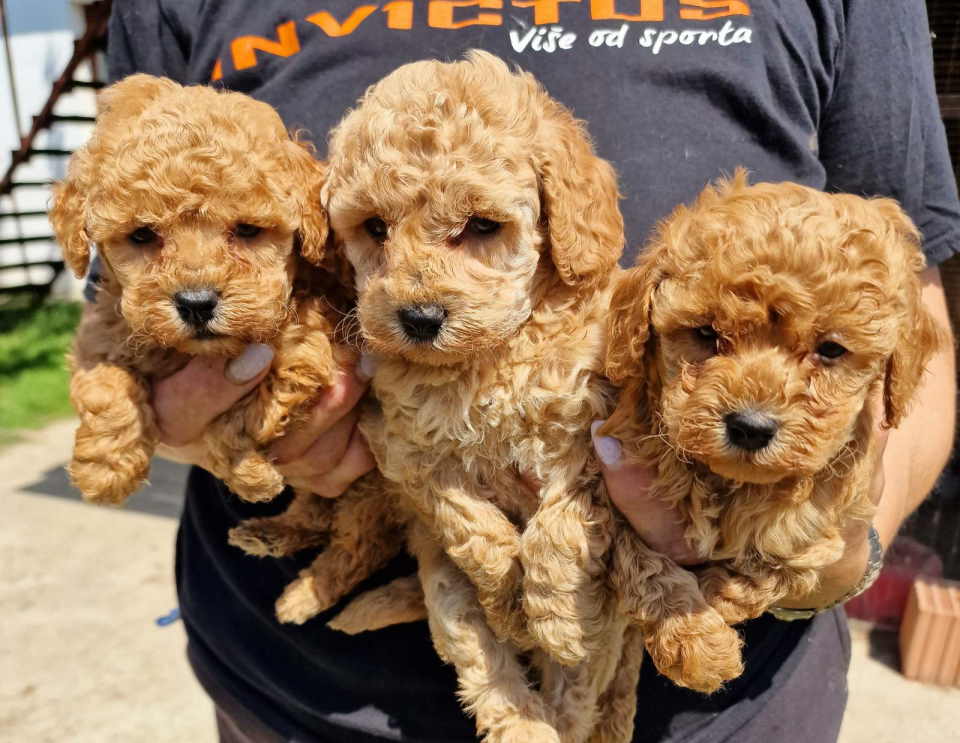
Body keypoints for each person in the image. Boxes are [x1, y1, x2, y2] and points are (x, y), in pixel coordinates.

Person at [94, 1, 959, 741]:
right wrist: (206, 421)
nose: (417, 289)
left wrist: (837, 551)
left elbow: (911, 321)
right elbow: (125, 272)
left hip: (730, 711)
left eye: (481, 229)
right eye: (374, 232)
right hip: (291, 698)